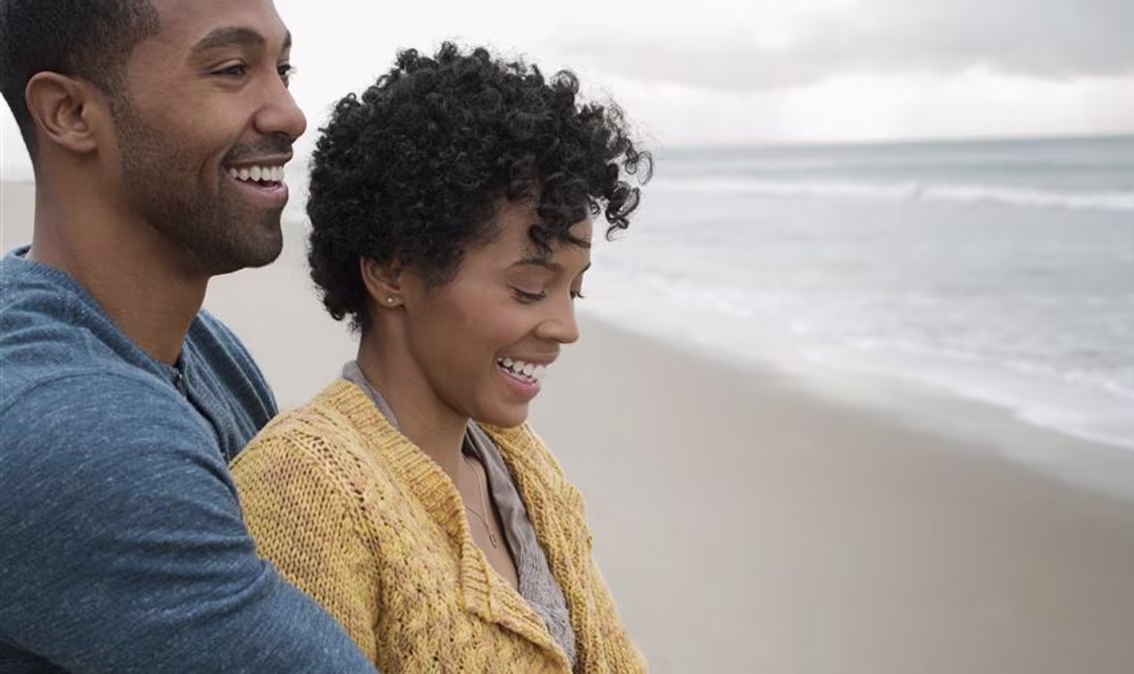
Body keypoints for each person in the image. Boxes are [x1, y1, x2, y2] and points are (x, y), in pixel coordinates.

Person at [230, 43, 653, 672]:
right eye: (529, 288)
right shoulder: (307, 490)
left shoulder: (519, 463)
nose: (565, 328)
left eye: (576, 289)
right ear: (392, 272)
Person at [0, 0, 376, 670]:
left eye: (283, 69)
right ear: (70, 113)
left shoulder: (204, 350)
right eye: (232, 69)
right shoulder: (76, 433)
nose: (290, 114)